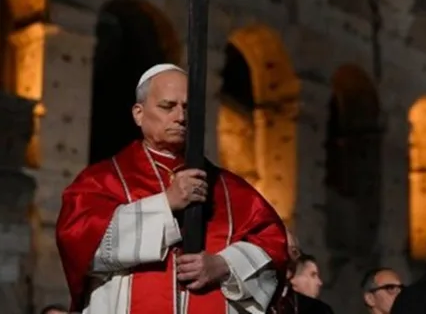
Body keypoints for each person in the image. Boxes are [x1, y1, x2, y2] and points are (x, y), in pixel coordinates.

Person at [56, 64, 290, 314]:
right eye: (167, 106)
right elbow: (79, 245)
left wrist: (224, 265)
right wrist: (166, 204)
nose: (181, 117)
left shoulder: (231, 190)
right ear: (138, 113)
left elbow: (273, 249)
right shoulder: (101, 181)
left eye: (188, 108)